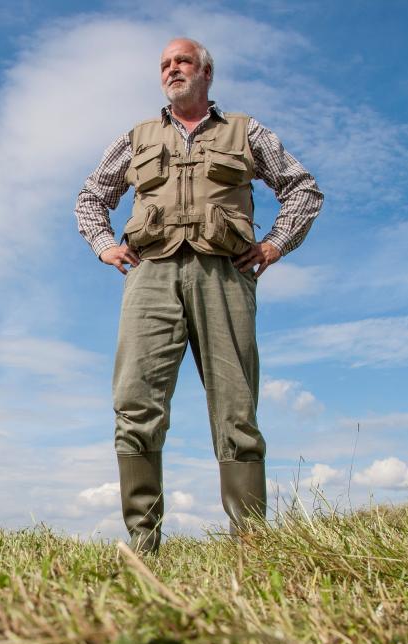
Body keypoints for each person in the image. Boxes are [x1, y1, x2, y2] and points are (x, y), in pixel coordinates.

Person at [74, 37, 323, 553]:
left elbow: (303, 188)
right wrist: (104, 245)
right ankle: (144, 545)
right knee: (134, 403)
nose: (172, 70)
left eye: (183, 61)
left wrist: (275, 244)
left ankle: (250, 546)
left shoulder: (246, 131)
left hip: (225, 276)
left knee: (236, 408)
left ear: (207, 72)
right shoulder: (136, 137)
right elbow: (91, 196)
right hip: (150, 275)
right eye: (165, 64)